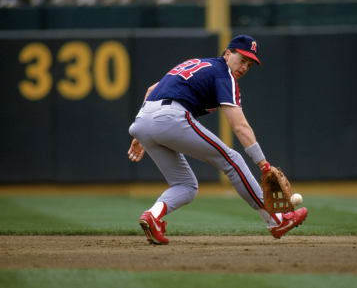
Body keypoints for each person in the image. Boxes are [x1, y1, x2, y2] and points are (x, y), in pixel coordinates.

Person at [127, 35, 308, 245]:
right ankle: (276, 220)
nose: (244, 67)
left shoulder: (199, 64)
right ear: (228, 53)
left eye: (249, 64)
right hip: (170, 117)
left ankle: (152, 216)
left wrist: (139, 135)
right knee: (233, 160)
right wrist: (263, 164)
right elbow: (239, 126)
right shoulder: (223, 74)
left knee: (185, 185)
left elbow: (151, 90)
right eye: (242, 59)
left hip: (143, 120)